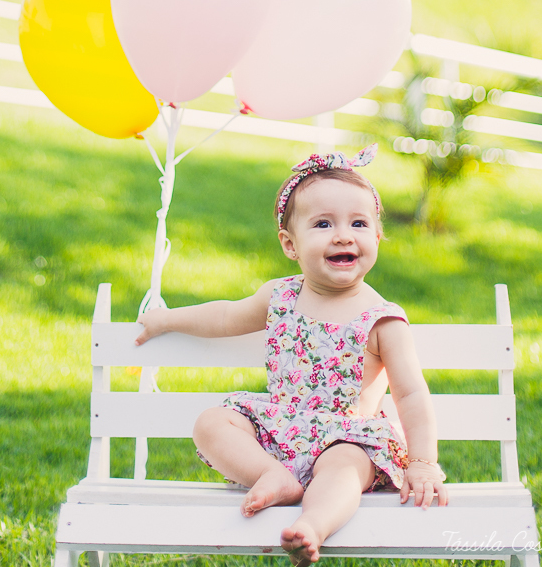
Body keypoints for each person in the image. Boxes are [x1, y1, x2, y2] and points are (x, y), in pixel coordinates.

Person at [135, 148, 448, 565]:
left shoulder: (383, 320)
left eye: (359, 223)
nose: (343, 235)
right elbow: (226, 315)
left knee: (344, 469)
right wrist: (167, 320)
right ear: (290, 244)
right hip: (280, 427)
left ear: (376, 237)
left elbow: (411, 395)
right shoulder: (279, 296)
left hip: (346, 437)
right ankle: (273, 476)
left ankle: (312, 525)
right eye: (323, 224)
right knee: (211, 422)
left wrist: (424, 463)